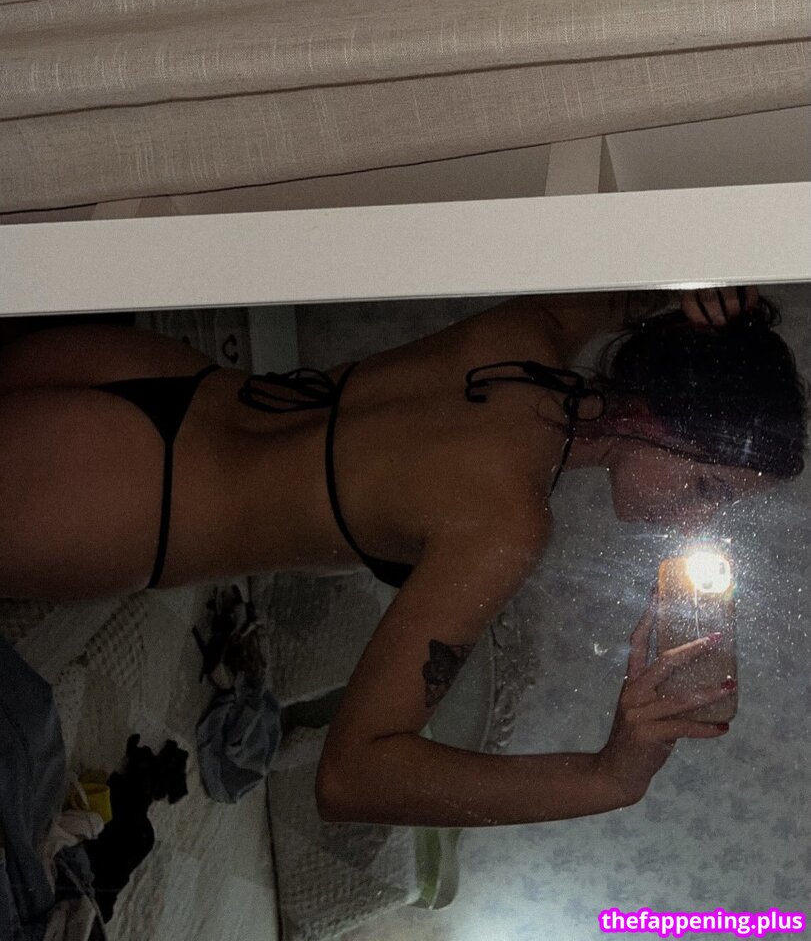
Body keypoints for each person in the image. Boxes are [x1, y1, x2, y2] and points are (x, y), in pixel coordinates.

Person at [0, 285, 806, 827]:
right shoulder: (505, 520)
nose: (694, 516)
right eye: (706, 485)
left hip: (129, 370)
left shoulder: (531, 334)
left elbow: (637, 280)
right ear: (660, 417)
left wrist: (700, 288)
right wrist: (609, 778)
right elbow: (353, 775)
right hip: (120, 498)